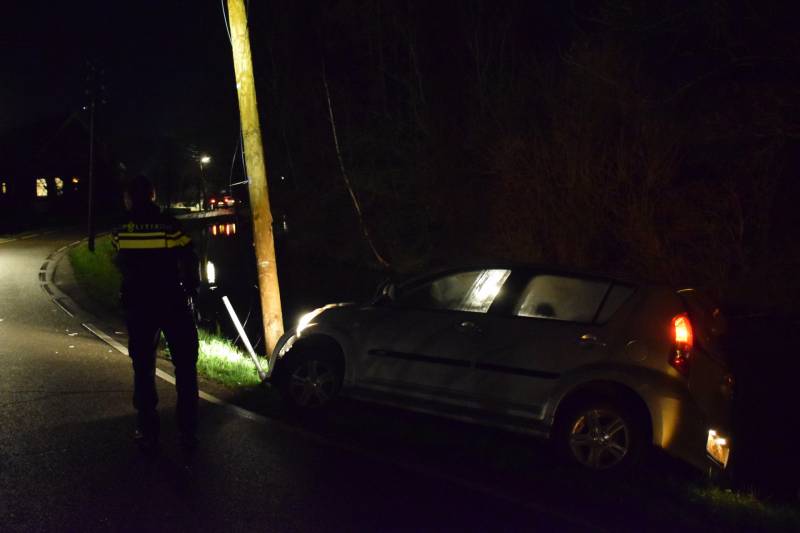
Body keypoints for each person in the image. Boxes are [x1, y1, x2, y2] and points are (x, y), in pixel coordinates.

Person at [112, 175, 201, 455]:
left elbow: (121, 261)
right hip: (172, 303)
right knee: (185, 367)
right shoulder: (170, 227)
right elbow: (189, 256)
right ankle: (187, 431)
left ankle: (148, 431)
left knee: (143, 368)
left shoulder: (121, 231)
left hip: (139, 306)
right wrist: (191, 289)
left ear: (130, 198)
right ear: (152, 195)